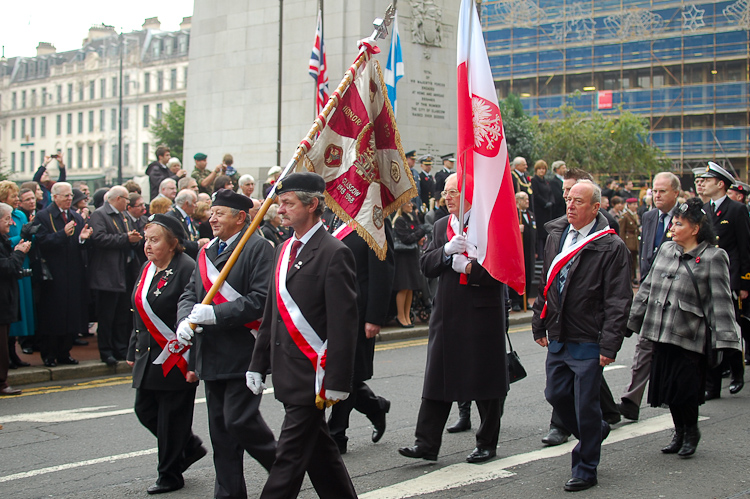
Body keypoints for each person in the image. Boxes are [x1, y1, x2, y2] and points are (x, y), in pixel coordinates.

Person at [246, 172, 358, 498]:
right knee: (321, 454)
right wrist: (258, 363)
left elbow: (343, 323)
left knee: (289, 457)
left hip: (314, 373)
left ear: (311, 205)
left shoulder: (334, 252)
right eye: (280, 203)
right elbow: (272, 314)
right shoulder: (282, 249)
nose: (280, 210)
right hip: (286, 369)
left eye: (287, 203)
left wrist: (336, 378)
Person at [399, 173, 508, 464]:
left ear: (470, 193)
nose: (447, 197)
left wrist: (468, 268)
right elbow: (426, 264)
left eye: (454, 192)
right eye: (446, 192)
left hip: (481, 312)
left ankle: (487, 443)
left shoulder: (488, 223)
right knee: (437, 379)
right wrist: (447, 253)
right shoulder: (440, 226)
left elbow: (502, 270)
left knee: (485, 380)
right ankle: (426, 443)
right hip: (446, 313)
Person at [176, 188, 277, 499]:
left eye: (219, 213)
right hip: (211, 355)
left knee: (240, 421)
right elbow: (189, 294)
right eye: (212, 212)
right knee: (221, 435)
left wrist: (215, 313)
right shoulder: (205, 253)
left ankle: (285, 467)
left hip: (243, 353)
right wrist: (185, 319)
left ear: (240, 218)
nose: (212, 218)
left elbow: (261, 300)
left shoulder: (258, 248)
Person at [532, 180, 632, 491]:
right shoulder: (557, 235)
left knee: (585, 404)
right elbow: (547, 283)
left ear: (595, 207)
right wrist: (538, 322)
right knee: (556, 395)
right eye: (569, 200)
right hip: (560, 334)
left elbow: (618, 299)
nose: (570, 206)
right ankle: (594, 431)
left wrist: (610, 344)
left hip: (589, 337)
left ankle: (586, 467)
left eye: (578, 201)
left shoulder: (611, 246)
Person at [628, 198, 741, 457]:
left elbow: (721, 301)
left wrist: (727, 341)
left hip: (690, 336)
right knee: (667, 389)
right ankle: (679, 431)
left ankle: (691, 431)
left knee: (685, 390)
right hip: (660, 332)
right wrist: (631, 321)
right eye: (674, 223)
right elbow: (647, 288)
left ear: (696, 228)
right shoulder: (667, 249)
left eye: (679, 224)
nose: (673, 228)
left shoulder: (713, 257)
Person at [127, 214, 206, 494]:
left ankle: (170, 475)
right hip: (149, 354)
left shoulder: (186, 268)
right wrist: (131, 347)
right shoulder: (148, 268)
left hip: (177, 356)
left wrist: (194, 361)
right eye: (146, 240)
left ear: (173, 243)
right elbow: (139, 308)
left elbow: (195, 316)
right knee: (144, 409)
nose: (147, 246)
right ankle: (189, 447)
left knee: (171, 418)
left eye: (155, 240)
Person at [322, 210, 395, 455]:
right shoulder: (330, 216)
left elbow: (381, 270)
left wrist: (374, 316)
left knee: (349, 372)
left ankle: (336, 433)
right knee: (335, 370)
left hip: (359, 310)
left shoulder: (373, 219)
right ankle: (375, 407)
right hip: (328, 309)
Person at [618, 172, 681, 421]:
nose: (656, 196)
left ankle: (674, 402)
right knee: (644, 347)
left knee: (670, 351)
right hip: (651, 292)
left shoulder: (686, 216)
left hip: (676, 295)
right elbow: (646, 256)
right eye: (654, 191)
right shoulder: (649, 215)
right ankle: (631, 400)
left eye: (662, 191)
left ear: (675, 192)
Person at [700, 162, 750, 398]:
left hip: (729, 278)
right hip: (707, 277)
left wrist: (744, 283)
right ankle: (712, 385)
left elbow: (745, 247)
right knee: (709, 331)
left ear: (720, 184)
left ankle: (737, 370)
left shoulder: (737, 210)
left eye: (708, 180)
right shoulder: (704, 210)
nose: (703, 184)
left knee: (729, 329)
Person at [32, 183, 93, 366]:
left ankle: (64, 352)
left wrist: (83, 238)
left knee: (70, 315)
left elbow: (80, 245)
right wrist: (62, 234)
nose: (69, 199)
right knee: (53, 316)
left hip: (73, 273)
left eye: (70, 196)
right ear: (54, 196)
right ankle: (49, 354)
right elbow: (42, 242)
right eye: (65, 196)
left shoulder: (75, 216)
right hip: (53, 274)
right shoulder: (43, 216)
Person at [89, 186, 144, 366]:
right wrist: (125, 238)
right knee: (107, 315)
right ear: (118, 198)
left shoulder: (125, 216)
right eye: (127, 199)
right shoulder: (99, 215)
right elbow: (99, 238)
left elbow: (130, 237)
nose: (128, 203)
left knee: (122, 313)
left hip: (125, 271)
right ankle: (106, 351)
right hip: (108, 273)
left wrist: (135, 239)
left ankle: (120, 348)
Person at [0, 182, 34, 368]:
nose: (18, 200)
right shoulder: (4, 216)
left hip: (21, 262)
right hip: (14, 261)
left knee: (19, 311)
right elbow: (8, 242)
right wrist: (20, 242)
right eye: (14, 197)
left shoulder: (19, 215)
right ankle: (9, 355)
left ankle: (13, 353)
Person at [392, 202, 426, 328]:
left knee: (410, 287)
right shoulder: (400, 221)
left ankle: (406, 315)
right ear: (401, 205)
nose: (411, 205)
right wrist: (418, 234)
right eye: (408, 203)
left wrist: (418, 235)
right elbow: (406, 238)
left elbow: (417, 232)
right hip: (402, 258)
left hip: (412, 256)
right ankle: (401, 316)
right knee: (403, 286)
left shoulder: (412, 218)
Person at [511, 191, 536, 312]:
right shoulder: (514, 214)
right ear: (517, 201)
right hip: (518, 251)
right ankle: (516, 301)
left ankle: (525, 301)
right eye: (524, 199)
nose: (527, 201)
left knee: (529, 275)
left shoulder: (530, 214)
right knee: (518, 275)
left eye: (527, 199)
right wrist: (516, 228)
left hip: (529, 251)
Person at [167, 189, 210, 259]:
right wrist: (197, 244)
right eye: (194, 203)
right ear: (186, 204)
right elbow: (177, 242)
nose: (196, 206)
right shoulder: (172, 217)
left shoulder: (187, 216)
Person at [531, 160, 554, 255]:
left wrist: (551, 202)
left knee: (546, 230)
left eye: (543, 169)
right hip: (539, 209)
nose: (542, 171)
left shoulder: (546, 181)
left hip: (547, 210)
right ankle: (540, 253)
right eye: (540, 169)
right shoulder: (534, 181)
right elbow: (536, 195)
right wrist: (544, 203)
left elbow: (550, 193)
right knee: (540, 231)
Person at [620, 198, 640, 285]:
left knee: (634, 261)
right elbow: (622, 231)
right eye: (634, 204)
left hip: (634, 241)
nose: (636, 206)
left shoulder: (635, 215)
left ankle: (634, 277)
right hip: (628, 241)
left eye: (636, 204)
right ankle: (630, 279)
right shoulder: (625, 216)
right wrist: (623, 243)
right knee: (629, 261)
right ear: (629, 205)